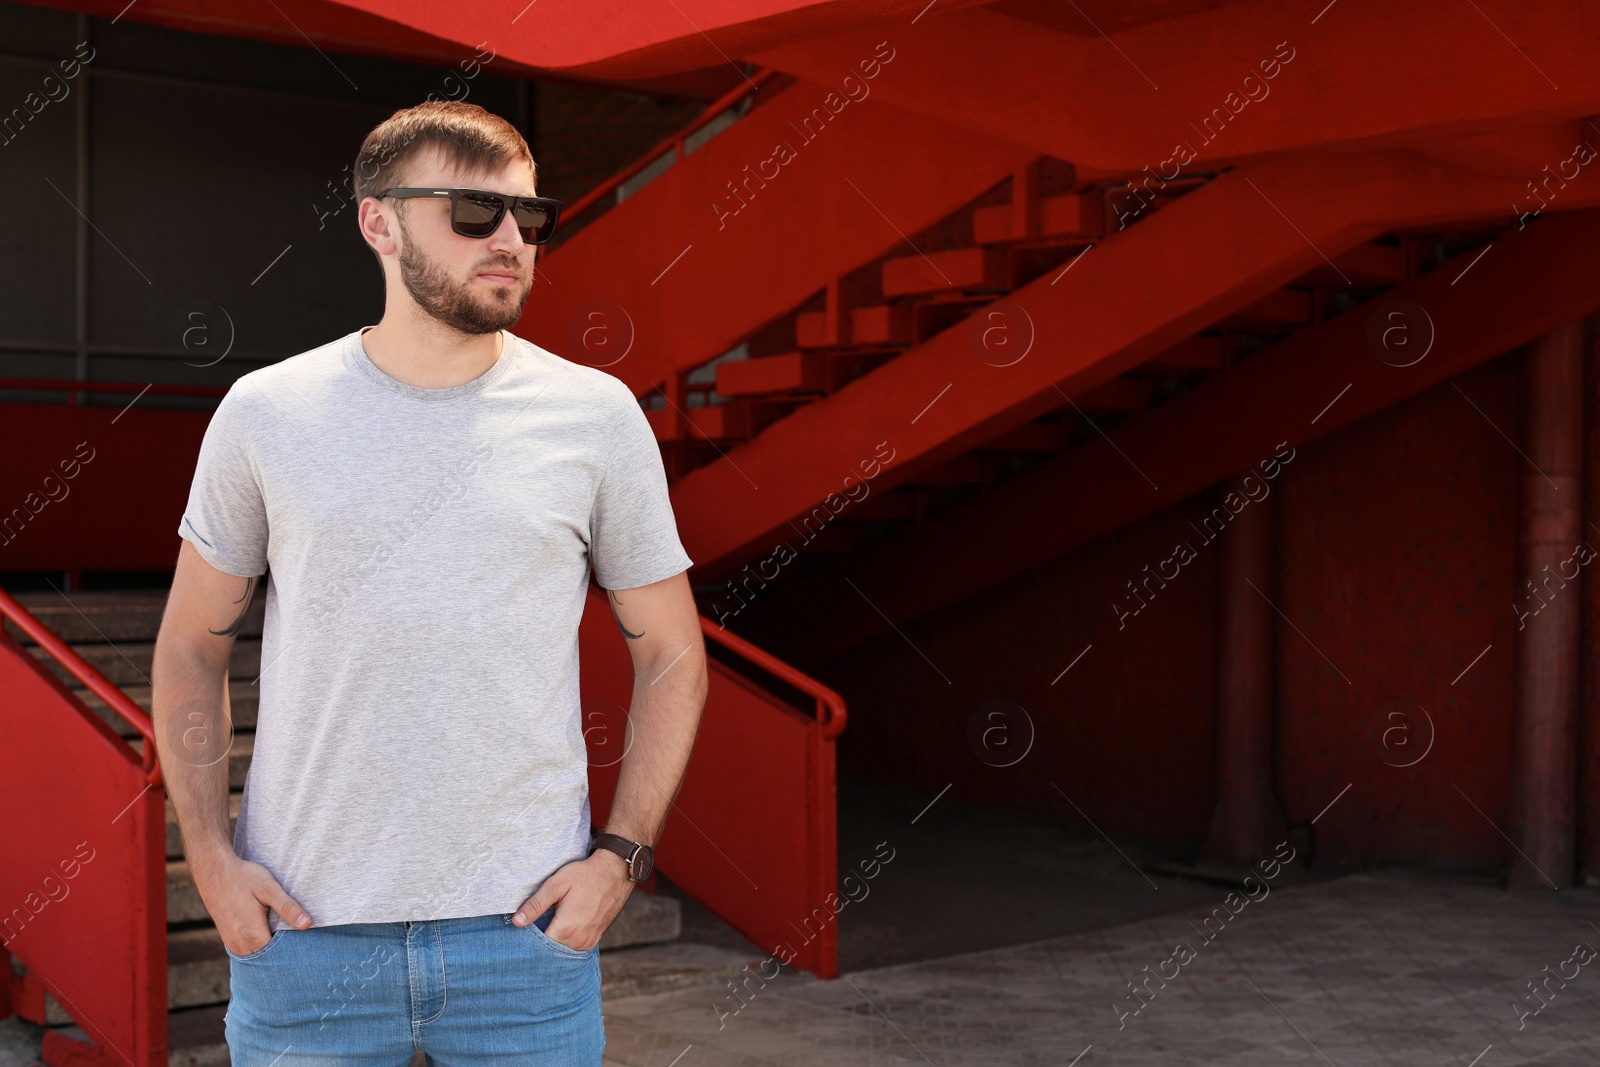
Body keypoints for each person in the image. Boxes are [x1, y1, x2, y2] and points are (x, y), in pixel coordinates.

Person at [151, 99, 707, 1065]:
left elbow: (670, 650)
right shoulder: (265, 413)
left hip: (525, 943)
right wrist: (209, 859)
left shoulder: (596, 415)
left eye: (529, 218)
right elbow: (193, 644)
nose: (510, 240)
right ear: (379, 221)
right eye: (473, 212)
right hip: (305, 937)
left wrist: (620, 859)